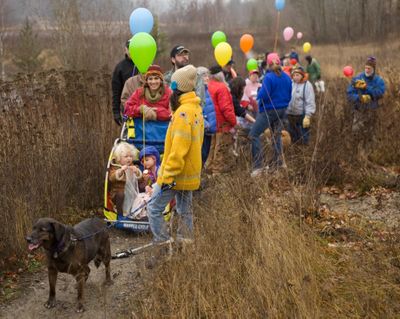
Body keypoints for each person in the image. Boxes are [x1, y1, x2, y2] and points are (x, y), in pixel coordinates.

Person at [147, 64, 204, 244]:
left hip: (176, 175)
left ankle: (162, 244)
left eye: (172, 85)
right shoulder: (196, 109)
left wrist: (165, 178)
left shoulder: (182, 114)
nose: (169, 89)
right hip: (190, 173)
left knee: (153, 208)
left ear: (179, 88)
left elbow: (178, 153)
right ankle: (185, 243)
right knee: (185, 210)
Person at [249, 53, 292, 177]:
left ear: (268, 64)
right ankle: (278, 165)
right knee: (276, 136)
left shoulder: (268, 77)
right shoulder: (287, 77)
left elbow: (263, 95)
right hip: (282, 110)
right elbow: (289, 94)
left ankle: (258, 167)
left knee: (253, 135)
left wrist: (259, 92)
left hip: (269, 110)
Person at [346, 56, 385, 153]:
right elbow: (349, 93)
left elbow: (380, 92)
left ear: (374, 69)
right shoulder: (358, 78)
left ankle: (369, 155)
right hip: (358, 111)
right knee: (356, 133)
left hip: (371, 111)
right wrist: (359, 98)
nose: (367, 70)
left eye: (369, 68)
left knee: (370, 135)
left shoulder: (378, 80)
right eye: (366, 68)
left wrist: (368, 89)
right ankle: (355, 154)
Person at [205, 66, 237, 175]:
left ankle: (208, 171)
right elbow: (226, 108)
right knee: (221, 150)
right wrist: (234, 122)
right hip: (222, 124)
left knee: (212, 148)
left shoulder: (207, 86)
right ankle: (216, 174)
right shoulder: (222, 87)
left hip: (211, 123)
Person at [108, 142, 142, 216]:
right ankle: (120, 215)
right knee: (120, 194)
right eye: (126, 156)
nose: (129, 158)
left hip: (131, 193)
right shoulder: (115, 167)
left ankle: (136, 212)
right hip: (118, 194)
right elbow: (111, 178)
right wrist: (120, 171)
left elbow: (140, 180)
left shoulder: (133, 166)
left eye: (130, 156)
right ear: (119, 158)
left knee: (142, 190)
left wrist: (137, 172)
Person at [111, 40, 139, 125]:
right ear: (125, 50)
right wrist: (116, 112)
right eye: (129, 48)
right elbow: (116, 92)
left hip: (145, 108)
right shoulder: (120, 68)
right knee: (130, 135)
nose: (132, 51)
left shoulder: (145, 64)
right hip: (128, 109)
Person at [287, 66, 316, 145]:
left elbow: (310, 101)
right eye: (294, 75)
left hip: (301, 116)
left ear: (302, 75)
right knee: (292, 136)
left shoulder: (307, 85)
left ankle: (304, 152)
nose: (295, 77)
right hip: (290, 114)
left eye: (298, 75)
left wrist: (308, 116)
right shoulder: (291, 83)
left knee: (303, 137)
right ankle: (294, 152)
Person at [197, 66, 217, 165]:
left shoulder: (207, 90)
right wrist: (205, 123)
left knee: (205, 154)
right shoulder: (197, 92)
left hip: (209, 129)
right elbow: (197, 109)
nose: (207, 78)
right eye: (204, 76)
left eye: (207, 75)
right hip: (202, 129)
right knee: (201, 154)